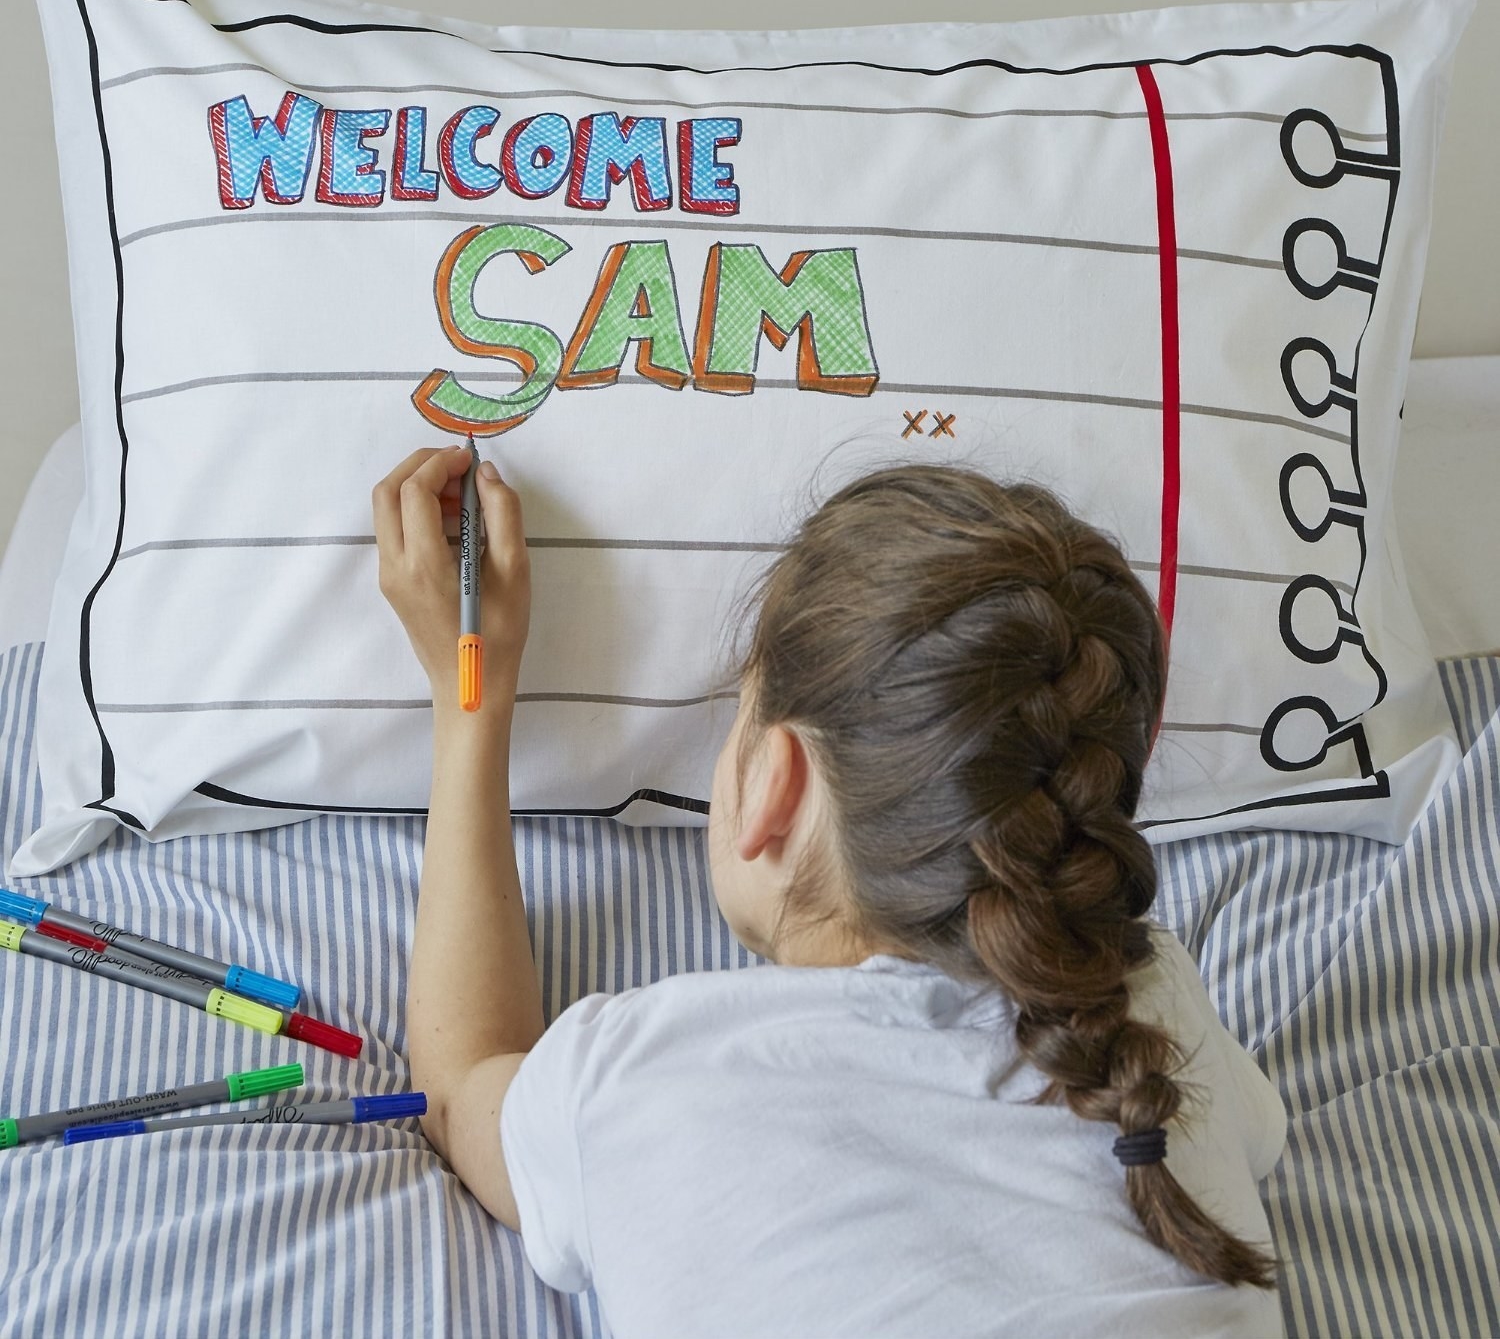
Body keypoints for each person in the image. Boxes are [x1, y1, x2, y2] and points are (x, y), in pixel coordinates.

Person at [373, 445, 1288, 1338]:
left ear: (775, 782)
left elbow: (457, 1086)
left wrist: (470, 704)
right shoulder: (1151, 1009)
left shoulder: (636, 1072)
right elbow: (1260, 1141)